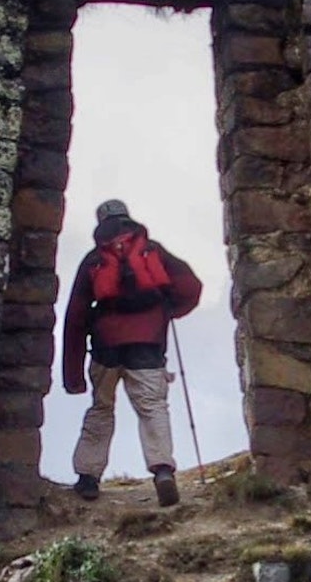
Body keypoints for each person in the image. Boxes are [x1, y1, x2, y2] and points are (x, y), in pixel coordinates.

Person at [58, 199, 206, 507]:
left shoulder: (93, 259)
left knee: (101, 409)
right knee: (153, 407)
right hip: (148, 344)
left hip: (105, 347)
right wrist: (168, 310)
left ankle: (88, 478)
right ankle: (163, 470)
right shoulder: (152, 250)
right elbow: (191, 286)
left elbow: (76, 316)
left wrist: (73, 377)